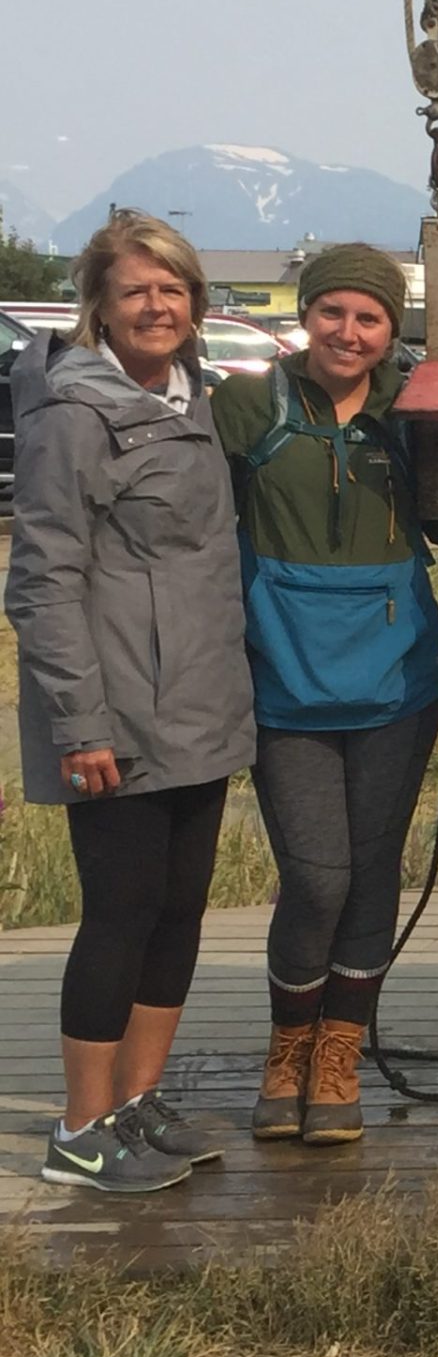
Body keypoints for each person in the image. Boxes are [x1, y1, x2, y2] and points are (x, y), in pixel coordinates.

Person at [7, 213, 254, 1193]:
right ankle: (78, 1128)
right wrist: (81, 724)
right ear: (99, 309)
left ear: (195, 305)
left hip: (198, 705)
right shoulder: (73, 416)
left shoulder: (191, 402)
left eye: (173, 289)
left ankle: (132, 1104)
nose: (157, 306)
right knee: (118, 914)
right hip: (115, 716)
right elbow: (41, 583)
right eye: (135, 292)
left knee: (178, 912)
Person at [211, 245, 438, 1145]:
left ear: (393, 330)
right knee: (317, 878)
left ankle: (339, 1054)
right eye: (333, 313)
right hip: (282, 676)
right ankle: (288, 1046)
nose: (349, 333)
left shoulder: (416, 409)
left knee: (373, 872)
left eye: (370, 318)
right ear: (306, 316)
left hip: (398, 679)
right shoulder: (241, 406)